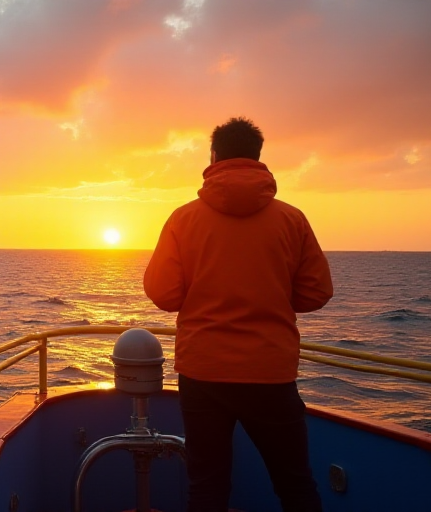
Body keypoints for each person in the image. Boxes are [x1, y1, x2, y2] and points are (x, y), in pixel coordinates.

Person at [143, 117, 333, 512]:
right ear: (258, 158)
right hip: (271, 372)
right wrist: (271, 295)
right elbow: (317, 292)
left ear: (213, 157)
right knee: (296, 485)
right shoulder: (292, 219)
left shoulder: (183, 219)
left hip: (204, 372)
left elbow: (163, 293)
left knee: (207, 489)